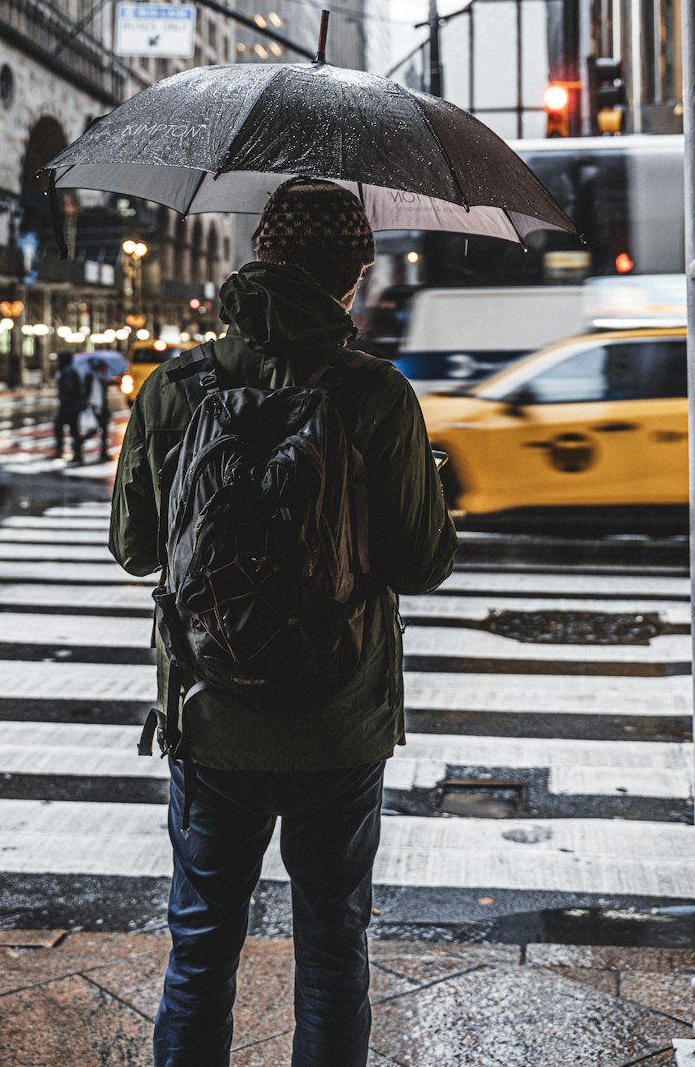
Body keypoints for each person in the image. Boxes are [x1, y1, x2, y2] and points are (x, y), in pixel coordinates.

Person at [110, 177, 456, 1067]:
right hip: (337, 719)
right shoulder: (376, 395)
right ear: (355, 273)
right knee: (335, 949)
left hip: (208, 711)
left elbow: (134, 548)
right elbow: (422, 565)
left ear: (257, 255)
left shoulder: (174, 387)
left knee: (199, 949)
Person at [53, 350, 84, 465]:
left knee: (63, 428)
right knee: (73, 430)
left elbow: (70, 389)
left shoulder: (68, 372)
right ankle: (76, 452)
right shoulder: (68, 371)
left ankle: (66, 451)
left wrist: (65, 401)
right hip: (71, 406)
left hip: (68, 407)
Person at [84, 357, 112, 463]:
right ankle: (79, 443)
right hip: (94, 406)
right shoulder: (90, 376)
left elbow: (103, 395)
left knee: (104, 429)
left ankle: (104, 452)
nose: (105, 368)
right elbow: (88, 393)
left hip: (103, 407)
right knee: (95, 429)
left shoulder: (102, 377)